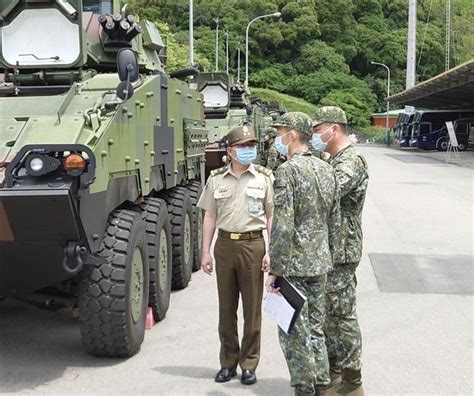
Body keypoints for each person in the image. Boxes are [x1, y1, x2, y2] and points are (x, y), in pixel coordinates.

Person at [266, 112, 341, 396]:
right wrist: (328, 260)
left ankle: (303, 389)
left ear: (293, 135)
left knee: (293, 332)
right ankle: (322, 386)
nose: (277, 139)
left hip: (294, 266)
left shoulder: (288, 171)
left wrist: (276, 268)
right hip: (319, 263)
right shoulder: (327, 169)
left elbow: (283, 225)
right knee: (316, 329)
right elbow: (334, 220)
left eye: (280, 132)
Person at [197, 125, 274, 386]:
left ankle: (249, 364)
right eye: (243, 146)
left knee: (252, 310)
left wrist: (270, 251)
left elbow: (272, 216)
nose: (248, 150)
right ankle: (228, 362)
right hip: (225, 245)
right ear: (230, 151)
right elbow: (209, 216)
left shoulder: (264, 178)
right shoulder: (216, 179)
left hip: (253, 245)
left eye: (250, 145)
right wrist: (205, 251)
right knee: (226, 308)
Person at [312, 106, 369, 396]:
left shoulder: (351, 161)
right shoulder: (333, 159)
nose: (314, 135)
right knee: (328, 315)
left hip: (342, 250)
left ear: (334, 129)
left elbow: (326, 191)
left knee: (342, 316)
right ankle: (333, 374)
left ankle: (351, 382)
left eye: (317, 129)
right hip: (329, 249)